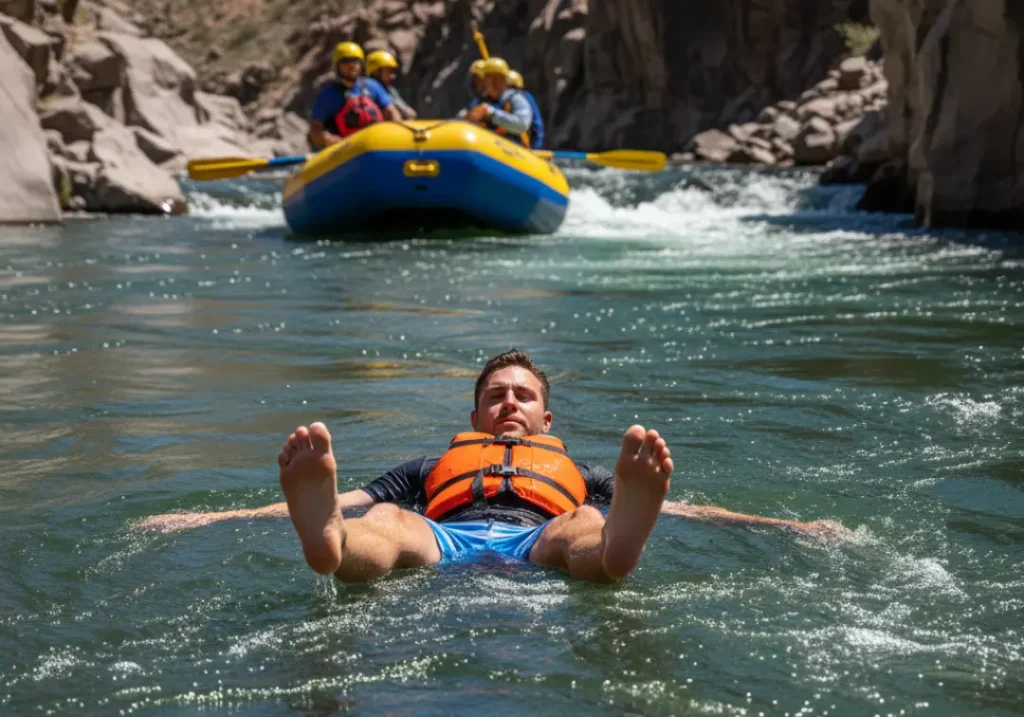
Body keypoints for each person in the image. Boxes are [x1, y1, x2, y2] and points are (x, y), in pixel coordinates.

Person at [135, 350, 852, 582]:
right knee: (383, 518)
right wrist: (212, 515)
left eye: (523, 396)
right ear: (476, 416)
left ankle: (619, 543)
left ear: (547, 420)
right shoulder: (431, 462)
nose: (509, 405)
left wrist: (785, 523)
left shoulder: (582, 471)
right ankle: (330, 547)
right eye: (495, 396)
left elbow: (698, 510)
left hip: (536, 539)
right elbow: (350, 493)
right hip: (444, 537)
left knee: (587, 516)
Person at [308, 41, 402, 150]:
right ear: (337, 66)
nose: (352, 66)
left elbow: (391, 111)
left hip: (375, 143)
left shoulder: (372, 86)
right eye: (346, 62)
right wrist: (334, 141)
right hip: (345, 148)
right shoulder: (327, 94)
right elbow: (315, 128)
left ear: (361, 65)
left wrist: (395, 134)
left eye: (355, 61)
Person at [462, 57, 533, 147]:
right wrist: (470, 117)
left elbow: (522, 124)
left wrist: (491, 114)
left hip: (512, 150)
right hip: (487, 147)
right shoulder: (481, 101)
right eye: (485, 77)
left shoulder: (515, 98)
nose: (485, 81)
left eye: (489, 77)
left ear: (499, 79)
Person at [365, 49, 416, 120]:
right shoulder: (367, 88)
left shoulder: (390, 89)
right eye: (388, 72)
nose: (392, 76)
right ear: (377, 72)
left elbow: (410, 112)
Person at [507, 70, 545, 149]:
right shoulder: (494, 99)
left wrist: (535, 146)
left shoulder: (525, 97)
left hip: (521, 144)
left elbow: (536, 124)